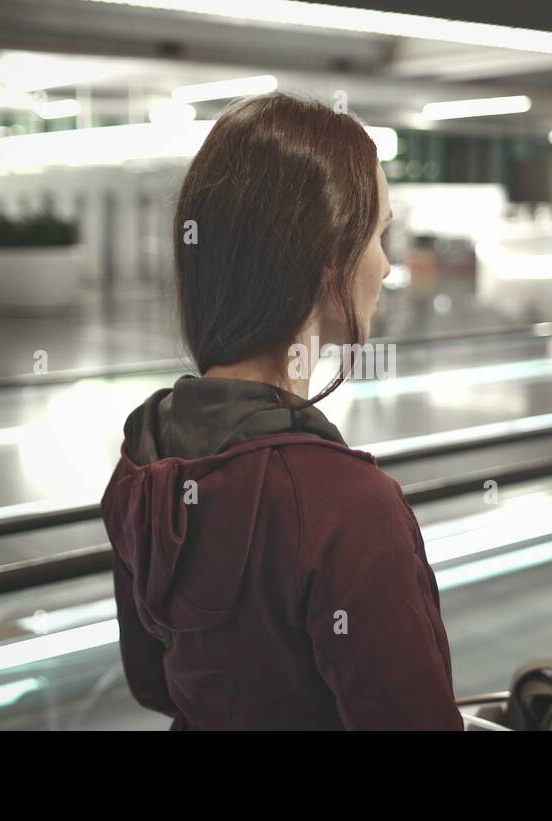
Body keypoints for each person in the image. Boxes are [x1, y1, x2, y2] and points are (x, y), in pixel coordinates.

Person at [100, 92, 462, 730]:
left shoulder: (144, 456)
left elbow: (155, 683)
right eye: (379, 235)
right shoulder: (347, 505)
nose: (386, 264)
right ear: (327, 260)